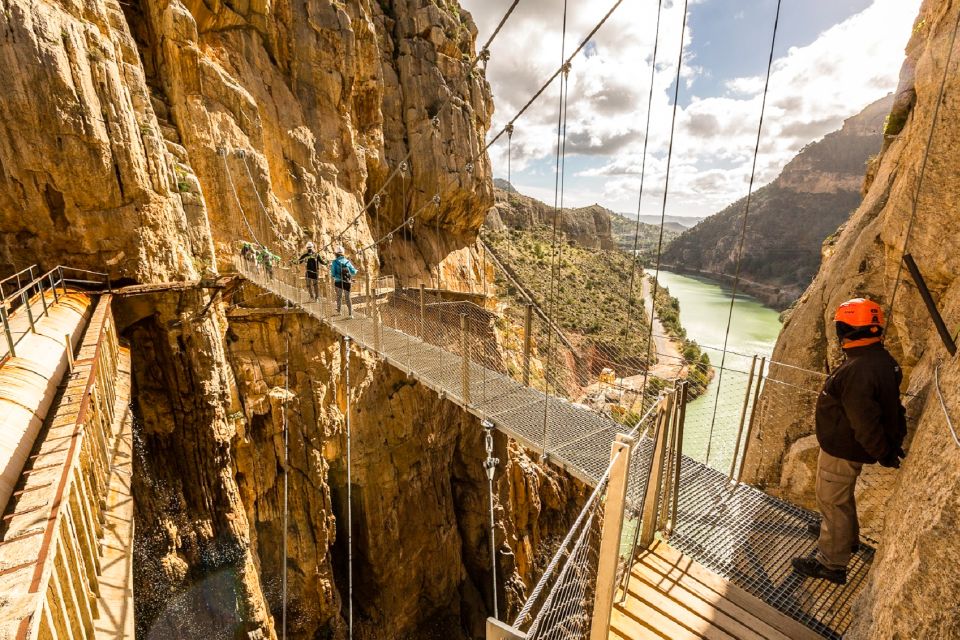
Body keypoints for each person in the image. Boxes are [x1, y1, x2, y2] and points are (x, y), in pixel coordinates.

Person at [792, 298, 907, 585]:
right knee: (838, 499)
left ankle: (832, 563)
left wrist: (883, 452)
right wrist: (885, 449)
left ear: (845, 329)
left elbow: (864, 420)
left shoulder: (859, 368)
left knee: (832, 502)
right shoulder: (881, 360)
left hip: (843, 449)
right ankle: (846, 539)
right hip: (846, 446)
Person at [331, 245, 358, 316]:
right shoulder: (347, 262)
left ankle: (339, 311)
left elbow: (333, 273)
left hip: (338, 282)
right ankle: (350, 314)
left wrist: (335, 276)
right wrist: (356, 270)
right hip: (347, 281)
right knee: (347, 297)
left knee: (339, 296)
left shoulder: (334, 262)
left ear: (335, 254)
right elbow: (353, 272)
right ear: (343, 253)